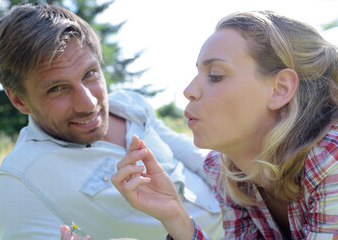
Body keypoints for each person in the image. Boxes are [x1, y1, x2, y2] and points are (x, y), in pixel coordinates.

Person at [0, 4, 223, 240]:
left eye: (89, 74)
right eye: (56, 88)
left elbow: (201, 161)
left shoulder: (131, 104)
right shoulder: (20, 183)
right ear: (19, 100)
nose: (89, 104)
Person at [112, 10, 338, 239]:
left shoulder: (332, 157)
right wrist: (175, 216)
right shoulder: (229, 171)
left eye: (216, 75)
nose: (189, 91)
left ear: (280, 89)